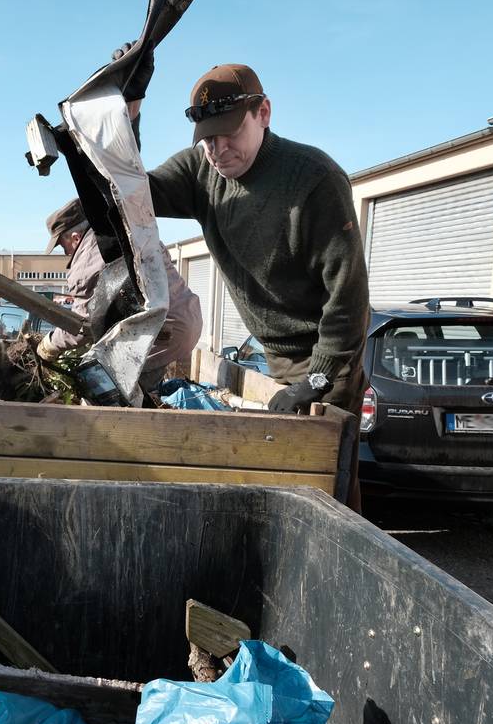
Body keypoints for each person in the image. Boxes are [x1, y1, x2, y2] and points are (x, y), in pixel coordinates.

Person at [128, 57, 370, 506]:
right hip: (273, 356)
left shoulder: (314, 181)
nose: (218, 150)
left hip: (323, 359)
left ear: (263, 113)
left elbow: (349, 296)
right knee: (283, 486)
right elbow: (132, 190)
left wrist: (317, 379)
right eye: (207, 140)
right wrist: (130, 111)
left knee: (325, 493)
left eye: (230, 133)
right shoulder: (202, 172)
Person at [35, 198, 202, 390]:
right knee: (145, 389)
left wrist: (50, 343)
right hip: (187, 318)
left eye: (63, 247)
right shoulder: (126, 231)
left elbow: (80, 326)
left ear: (75, 238)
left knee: (109, 392)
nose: (65, 254)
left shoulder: (87, 263)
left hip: (163, 330)